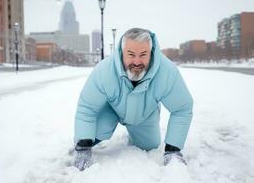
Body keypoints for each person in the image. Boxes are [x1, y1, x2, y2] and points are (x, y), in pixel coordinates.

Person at [74, 28, 193, 171]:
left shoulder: (167, 72)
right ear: (122, 52)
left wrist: (173, 149)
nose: (137, 61)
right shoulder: (104, 70)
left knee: (150, 147)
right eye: (131, 55)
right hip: (111, 109)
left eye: (143, 55)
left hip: (145, 115)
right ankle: (94, 137)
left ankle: (136, 133)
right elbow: (87, 108)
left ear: (151, 52)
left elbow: (182, 108)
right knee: (93, 134)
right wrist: (83, 147)